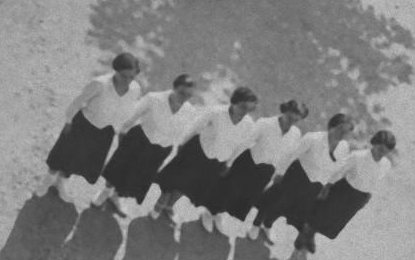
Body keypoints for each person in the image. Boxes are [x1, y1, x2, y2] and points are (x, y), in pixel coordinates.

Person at [154, 86, 260, 226]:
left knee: (189, 185)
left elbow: (240, 146)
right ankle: (161, 202)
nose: (244, 112)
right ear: (235, 101)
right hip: (197, 151)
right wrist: (182, 142)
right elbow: (196, 126)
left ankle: (170, 206)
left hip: (216, 161)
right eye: (242, 107)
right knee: (175, 178)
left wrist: (229, 163)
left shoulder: (248, 125)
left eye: (249, 110)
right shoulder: (216, 111)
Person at [45, 52, 144, 195]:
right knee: (64, 153)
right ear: (116, 71)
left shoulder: (135, 89)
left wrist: (120, 129)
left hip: (105, 132)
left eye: (132, 77)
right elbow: (78, 101)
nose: (127, 80)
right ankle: (49, 178)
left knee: (80, 158)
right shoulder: (100, 83)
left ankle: (62, 180)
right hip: (83, 125)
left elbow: (127, 110)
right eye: (124, 76)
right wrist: (68, 121)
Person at [99, 72, 199, 214]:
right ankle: (106, 191)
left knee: (138, 175)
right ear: (175, 87)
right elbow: (133, 115)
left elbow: (179, 132)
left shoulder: (189, 110)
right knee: (120, 166)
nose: (184, 98)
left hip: (159, 150)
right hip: (140, 140)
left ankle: (118, 196)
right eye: (182, 93)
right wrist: (122, 132)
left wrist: (167, 149)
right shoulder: (154, 98)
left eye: (189, 95)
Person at [255, 113, 354, 252]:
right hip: (297, 177)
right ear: (331, 126)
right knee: (281, 202)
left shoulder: (344, 147)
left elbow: (338, 169)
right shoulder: (313, 138)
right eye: (340, 129)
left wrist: (327, 185)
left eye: (346, 132)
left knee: (298, 209)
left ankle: (273, 223)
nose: (342, 134)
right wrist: (280, 172)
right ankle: (266, 223)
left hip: (315, 186)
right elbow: (291, 155)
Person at [212, 99, 308, 237]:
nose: (292, 121)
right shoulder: (265, 123)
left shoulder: (296, 134)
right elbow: (245, 143)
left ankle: (229, 220)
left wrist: (280, 173)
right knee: (230, 190)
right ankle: (213, 214)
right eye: (290, 116)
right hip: (248, 163)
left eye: (297, 119)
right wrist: (229, 162)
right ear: (285, 111)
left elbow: (287, 156)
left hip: (266, 171)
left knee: (248, 198)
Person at [306, 130, 396, 252]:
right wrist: (327, 186)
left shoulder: (386, 164)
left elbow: (375, 181)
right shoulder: (358, 156)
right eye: (380, 149)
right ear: (374, 143)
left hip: (359, 197)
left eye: (385, 152)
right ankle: (306, 236)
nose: (381, 154)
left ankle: (313, 237)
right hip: (344, 191)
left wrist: (368, 195)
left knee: (337, 219)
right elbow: (340, 171)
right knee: (324, 214)